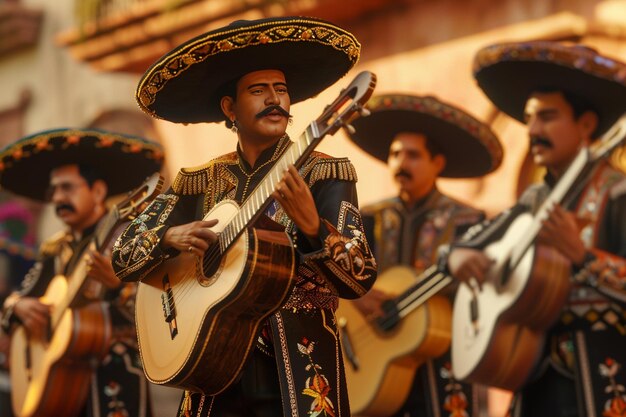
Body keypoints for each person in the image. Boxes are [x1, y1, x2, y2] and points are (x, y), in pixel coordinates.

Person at [111, 16, 378, 417]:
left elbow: (360, 277)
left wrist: (313, 228)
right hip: (211, 374)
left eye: (281, 90)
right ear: (230, 108)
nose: (276, 99)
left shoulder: (324, 170)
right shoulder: (196, 182)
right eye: (259, 90)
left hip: (301, 372)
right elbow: (122, 254)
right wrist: (169, 239)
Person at [444, 41, 626, 417]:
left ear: (586, 124)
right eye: (529, 118)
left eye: (547, 116)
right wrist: (457, 257)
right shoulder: (533, 199)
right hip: (532, 376)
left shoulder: (618, 193)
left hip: (606, 380)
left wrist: (583, 257)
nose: (533, 130)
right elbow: (469, 244)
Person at [344, 93, 503, 417]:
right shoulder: (366, 217)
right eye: (396, 154)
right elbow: (342, 275)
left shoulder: (470, 221)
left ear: (438, 164)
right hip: (372, 362)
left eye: (413, 155)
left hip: (442, 361)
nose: (402, 163)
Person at [0, 128, 164, 417]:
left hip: (113, 371)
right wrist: (19, 306)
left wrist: (116, 286)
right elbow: (18, 297)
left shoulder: (127, 236)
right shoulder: (54, 249)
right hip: (58, 380)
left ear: (98, 191)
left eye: (67, 188)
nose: (57, 198)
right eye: (53, 190)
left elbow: (159, 301)